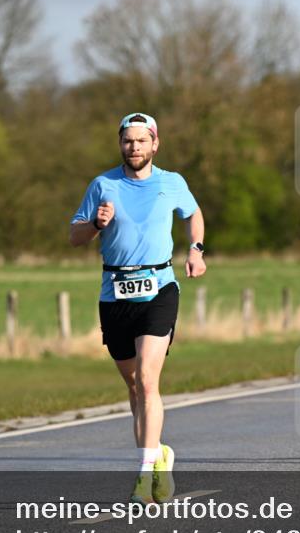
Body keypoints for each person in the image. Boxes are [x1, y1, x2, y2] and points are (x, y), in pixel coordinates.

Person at [70, 112, 206, 503]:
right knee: (133, 388)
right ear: (121, 145)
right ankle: (159, 452)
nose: (134, 148)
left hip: (160, 287)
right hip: (115, 292)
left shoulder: (172, 183)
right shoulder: (103, 185)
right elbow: (75, 236)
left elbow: (193, 214)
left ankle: (145, 475)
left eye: (141, 141)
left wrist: (195, 250)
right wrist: (95, 224)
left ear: (155, 144)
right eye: (128, 141)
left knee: (148, 380)